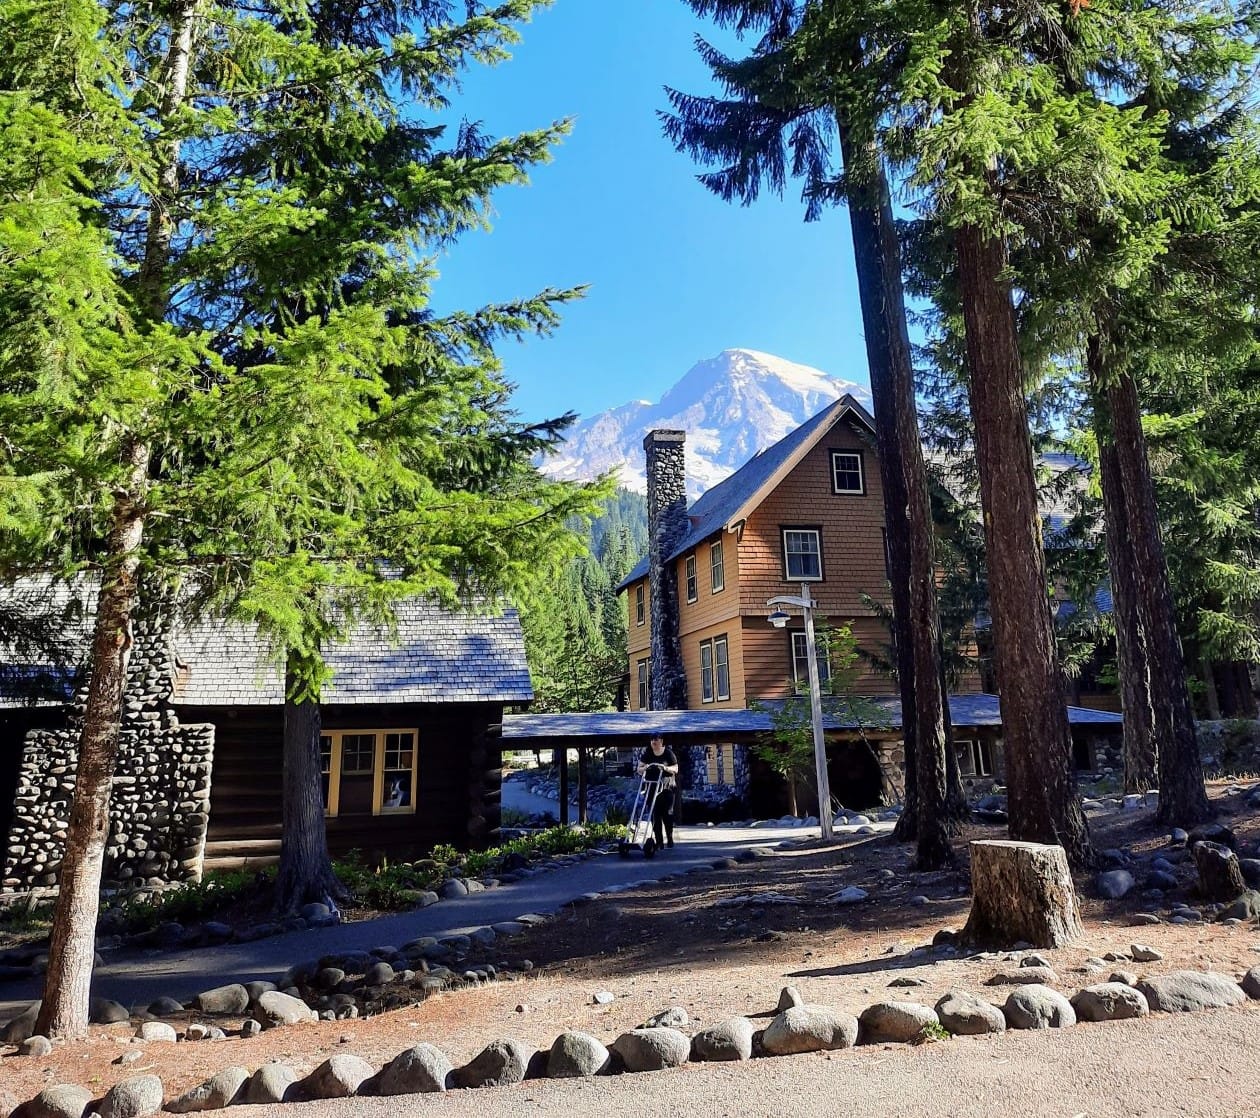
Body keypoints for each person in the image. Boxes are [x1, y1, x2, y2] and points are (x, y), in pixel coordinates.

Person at [638, 734, 679, 849]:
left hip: (666, 788)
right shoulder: (648, 754)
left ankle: (669, 838)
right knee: (654, 815)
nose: (653, 742)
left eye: (656, 740)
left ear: (661, 741)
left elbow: (675, 769)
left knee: (667, 814)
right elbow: (639, 769)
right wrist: (645, 768)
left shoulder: (668, 753)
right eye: (652, 740)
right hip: (651, 788)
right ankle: (659, 841)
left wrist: (665, 768)